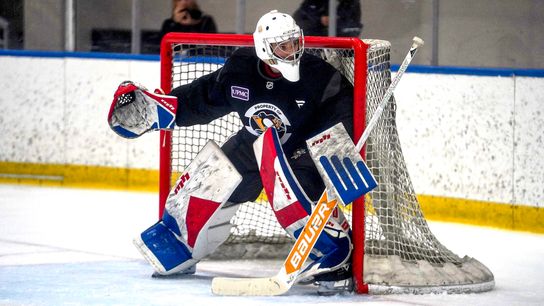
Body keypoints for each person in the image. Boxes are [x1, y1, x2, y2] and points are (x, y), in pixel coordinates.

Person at [108, 10, 354, 295]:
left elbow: (344, 110)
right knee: (211, 177)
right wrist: (160, 110)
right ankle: (182, 243)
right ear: (264, 47)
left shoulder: (318, 75)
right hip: (253, 144)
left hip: (302, 147)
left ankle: (335, 254)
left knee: (294, 191)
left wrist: (331, 145)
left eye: (294, 43)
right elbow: (205, 96)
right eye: (282, 46)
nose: (292, 51)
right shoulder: (241, 67)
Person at [293, 0, 363, 37]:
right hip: (315, 47)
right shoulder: (312, 3)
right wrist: (319, 21)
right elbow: (299, 22)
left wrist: (336, 23)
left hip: (343, 50)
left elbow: (353, 28)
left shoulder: (351, 3)